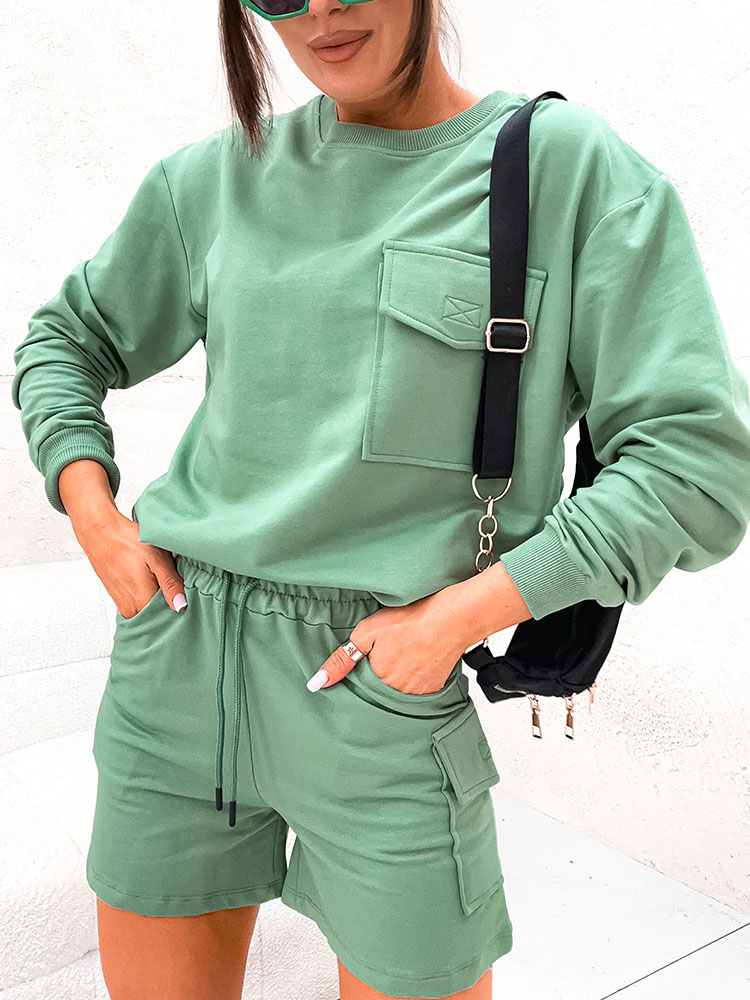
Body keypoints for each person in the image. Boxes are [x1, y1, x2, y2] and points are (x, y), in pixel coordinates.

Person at [11, 0, 750, 997]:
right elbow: (67, 339)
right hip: (175, 670)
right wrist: (95, 515)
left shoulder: (564, 170)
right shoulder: (218, 177)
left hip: (385, 685)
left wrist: (459, 617)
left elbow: (697, 465)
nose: (318, 8)